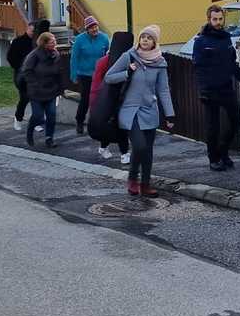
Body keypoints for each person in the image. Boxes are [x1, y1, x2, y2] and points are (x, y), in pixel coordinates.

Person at [105, 25, 174, 196]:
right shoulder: (129, 56)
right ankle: (132, 178)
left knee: (147, 150)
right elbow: (109, 77)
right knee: (140, 146)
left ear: (154, 42)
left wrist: (170, 114)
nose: (145, 40)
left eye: (149, 38)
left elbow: (163, 90)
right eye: (143, 37)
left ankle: (145, 184)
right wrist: (127, 73)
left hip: (149, 110)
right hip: (130, 111)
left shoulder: (160, 63)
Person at [193, 4, 240, 171]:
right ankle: (214, 159)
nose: (218, 22)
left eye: (220, 19)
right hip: (210, 90)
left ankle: (223, 151)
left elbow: (232, 63)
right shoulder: (201, 41)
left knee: (236, 120)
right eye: (215, 19)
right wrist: (203, 90)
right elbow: (198, 68)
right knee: (213, 127)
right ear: (209, 19)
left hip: (226, 88)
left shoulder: (226, 39)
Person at [87, 31, 135, 161]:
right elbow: (97, 81)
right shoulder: (104, 62)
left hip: (117, 99)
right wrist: (95, 100)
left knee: (114, 125)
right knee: (115, 126)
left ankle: (110, 149)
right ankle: (124, 154)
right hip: (105, 98)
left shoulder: (128, 59)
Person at [21, 31, 66, 148]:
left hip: (51, 90)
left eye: (55, 41)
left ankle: (49, 138)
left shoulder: (56, 55)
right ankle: (29, 132)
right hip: (36, 92)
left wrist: (61, 88)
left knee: (51, 115)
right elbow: (26, 71)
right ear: (44, 44)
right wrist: (35, 84)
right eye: (52, 42)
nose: (54, 43)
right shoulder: (34, 55)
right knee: (38, 116)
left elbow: (59, 72)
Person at [7, 19, 49, 130]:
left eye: (35, 32)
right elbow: (10, 57)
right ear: (27, 29)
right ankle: (18, 118)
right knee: (25, 98)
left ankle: (36, 122)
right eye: (32, 31)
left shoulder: (38, 43)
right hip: (22, 75)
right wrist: (19, 68)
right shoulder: (18, 41)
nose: (33, 33)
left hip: (36, 76)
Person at [71, 17, 109, 135]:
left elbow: (109, 54)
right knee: (86, 99)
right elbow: (74, 58)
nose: (95, 29)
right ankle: (79, 121)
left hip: (100, 74)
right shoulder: (79, 40)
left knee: (100, 99)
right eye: (92, 27)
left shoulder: (104, 38)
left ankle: (97, 122)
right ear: (87, 29)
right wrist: (73, 75)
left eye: (96, 26)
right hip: (85, 74)